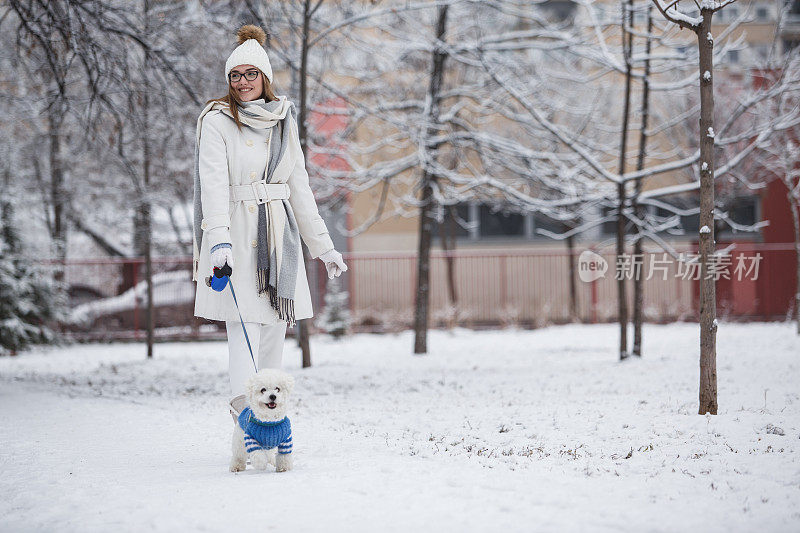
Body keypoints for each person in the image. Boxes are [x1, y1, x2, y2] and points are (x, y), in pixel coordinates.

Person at [192, 24, 347, 418]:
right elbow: (212, 185)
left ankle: (270, 419)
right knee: (242, 334)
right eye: (235, 75)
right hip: (236, 234)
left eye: (250, 74)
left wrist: (324, 246)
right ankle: (245, 420)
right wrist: (219, 241)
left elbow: (300, 186)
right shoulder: (217, 120)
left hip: (279, 236)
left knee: (275, 330)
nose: (243, 82)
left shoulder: (283, 119)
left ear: (265, 77)